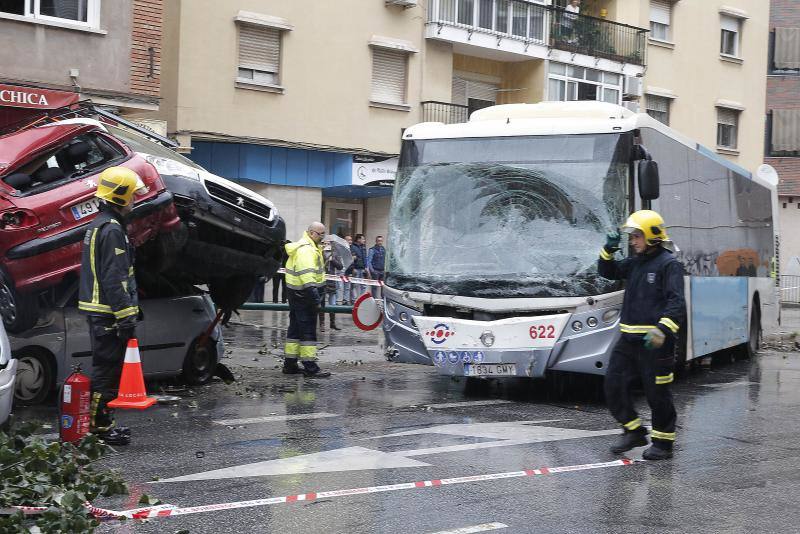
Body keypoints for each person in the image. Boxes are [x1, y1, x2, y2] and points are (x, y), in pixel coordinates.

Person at [598, 210, 685, 461]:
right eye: (632, 236)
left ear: (651, 236)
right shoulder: (636, 262)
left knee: (657, 394)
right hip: (629, 340)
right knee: (613, 384)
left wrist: (662, 330)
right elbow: (608, 272)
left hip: (656, 344)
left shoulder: (669, 265)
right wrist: (608, 250)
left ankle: (663, 443)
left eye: (636, 236)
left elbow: (676, 303)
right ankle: (633, 430)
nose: (633, 241)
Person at [78, 167, 147, 446]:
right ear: (120, 197)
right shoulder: (113, 230)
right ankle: (100, 428)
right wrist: (126, 316)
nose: (134, 201)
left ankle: (99, 425)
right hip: (108, 313)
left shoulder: (98, 225)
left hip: (100, 310)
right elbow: (114, 277)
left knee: (104, 369)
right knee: (106, 372)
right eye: (132, 196)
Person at [283, 222, 331, 378]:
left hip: (297, 295)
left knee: (295, 330)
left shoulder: (308, 248)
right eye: (320, 234)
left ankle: (289, 365)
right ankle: (311, 367)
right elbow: (308, 279)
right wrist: (316, 299)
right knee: (308, 332)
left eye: (324, 233)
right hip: (305, 296)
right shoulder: (307, 251)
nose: (323, 237)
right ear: (311, 233)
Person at [319, 241, 343, 331]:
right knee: (322, 303)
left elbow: (340, 266)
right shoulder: (319, 253)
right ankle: (322, 324)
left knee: (332, 304)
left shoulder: (334, 254)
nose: (326, 245)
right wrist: (325, 261)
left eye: (328, 243)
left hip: (332, 282)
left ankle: (332, 323)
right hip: (322, 281)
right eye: (324, 243)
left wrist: (333, 260)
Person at [349, 234, 368, 302]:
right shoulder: (353, 247)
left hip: (363, 269)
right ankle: (353, 300)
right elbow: (351, 259)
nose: (364, 240)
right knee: (354, 285)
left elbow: (365, 258)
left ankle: (361, 300)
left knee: (363, 285)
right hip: (356, 269)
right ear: (358, 239)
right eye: (363, 239)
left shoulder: (363, 247)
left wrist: (366, 267)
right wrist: (353, 268)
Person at [339, 235, 353, 305]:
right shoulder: (341, 248)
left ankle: (345, 300)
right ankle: (338, 301)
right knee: (340, 287)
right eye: (348, 240)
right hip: (342, 271)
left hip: (349, 270)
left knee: (347, 287)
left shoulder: (352, 248)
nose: (350, 241)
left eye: (351, 240)